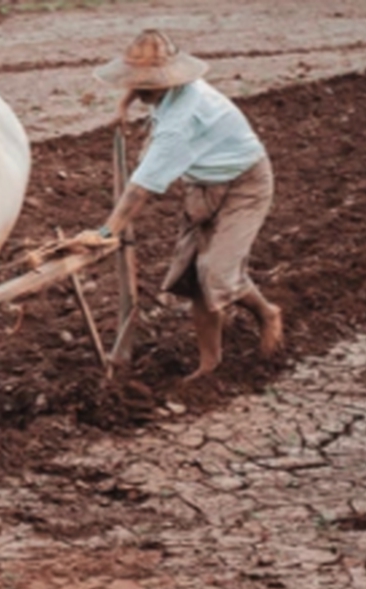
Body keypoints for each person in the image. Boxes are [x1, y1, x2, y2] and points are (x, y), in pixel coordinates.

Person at [86, 28, 283, 381]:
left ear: (164, 81)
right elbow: (142, 85)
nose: (137, 87)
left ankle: (267, 313)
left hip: (245, 184)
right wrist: (122, 106)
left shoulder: (178, 125)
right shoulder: (170, 89)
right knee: (194, 277)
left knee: (219, 274)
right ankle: (210, 363)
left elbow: (140, 190)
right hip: (203, 183)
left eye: (142, 85)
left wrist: (105, 232)